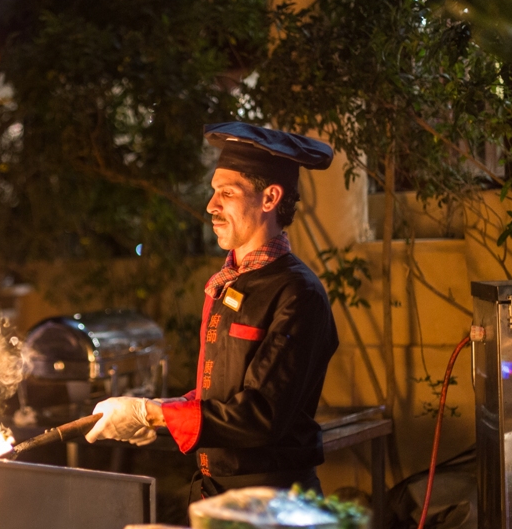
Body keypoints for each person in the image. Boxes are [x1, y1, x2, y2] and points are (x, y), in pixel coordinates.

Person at [84, 122, 339, 501]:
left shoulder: (298, 293)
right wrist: (160, 411)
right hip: (213, 492)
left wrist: (151, 414)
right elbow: (219, 395)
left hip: (271, 503)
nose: (211, 206)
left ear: (269, 198)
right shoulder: (229, 282)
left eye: (227, 193)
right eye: (213, 192)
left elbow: (260, 413)